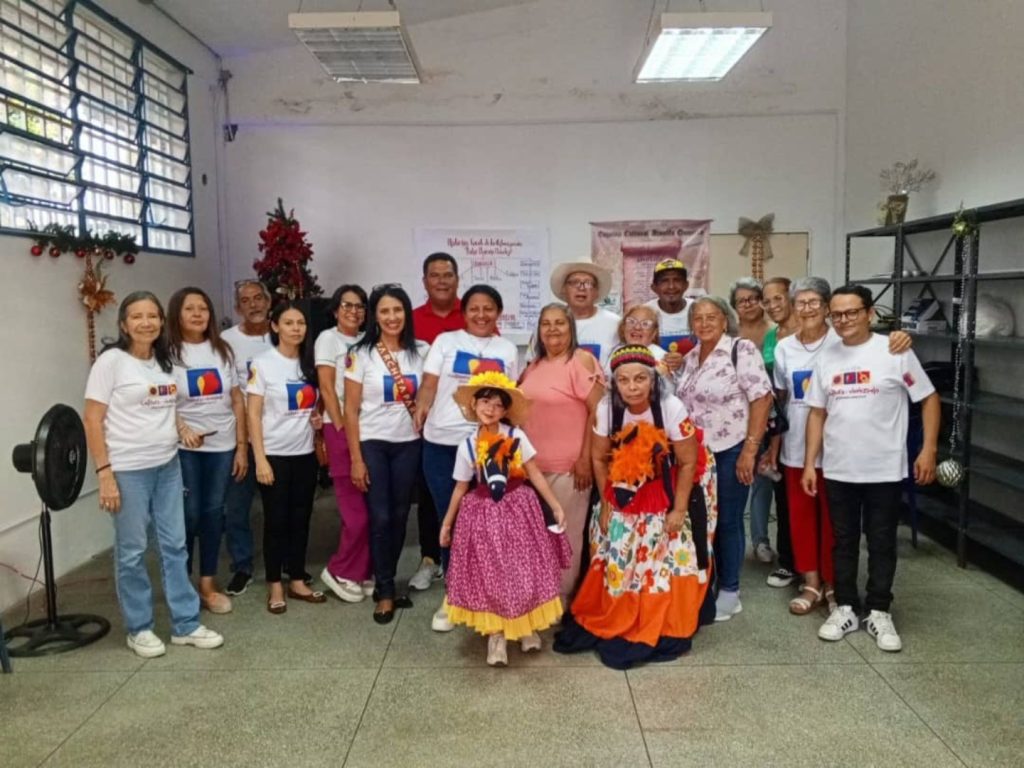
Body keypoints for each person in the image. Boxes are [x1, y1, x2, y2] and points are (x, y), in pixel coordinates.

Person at [554, 345, 717, 669]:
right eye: (624, 380)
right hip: (623, 491)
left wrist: (679, 510)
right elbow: (600, 458)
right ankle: (619, 610)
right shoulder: (606, 409)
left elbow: (687, 462)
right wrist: (605, 503)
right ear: (614, 383)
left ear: (653, 380)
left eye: (640, 378)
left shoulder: (671, 407)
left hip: (667, 491)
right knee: (616, 551)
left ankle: (661, 617)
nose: (632, 387)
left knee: (663, 561)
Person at [84, 291, 224, 658]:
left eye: (152, 316)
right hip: (128, 470)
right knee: (132, 551)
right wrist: (104, 473)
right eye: (137, 316)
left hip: (168, 466)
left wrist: (181, 428)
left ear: (162, 321)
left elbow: (164, 405)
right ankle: (139, 628)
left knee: (175, 546)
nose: (146, 322)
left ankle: (186, 624)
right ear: (124, 324)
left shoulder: (164, 361)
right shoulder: (111, 362)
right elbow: (92, 420)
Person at [803, 285, 938, 652]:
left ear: (869, 314)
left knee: (881, 542)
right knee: (843, 541)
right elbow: (817, 412)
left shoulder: (894, 351)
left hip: (884, 470)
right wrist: (810, 463)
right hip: (839, 468)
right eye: (837, 314)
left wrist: (928, 449)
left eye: (851, 312)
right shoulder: (827, 358)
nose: (843, 320)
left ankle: (879, 610)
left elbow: (928, 399)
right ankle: (845, 606)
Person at [774, 277, 915, 615]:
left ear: (827, 308)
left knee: (838, 526)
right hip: (797, 447)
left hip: (842, 452)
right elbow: (781, 398)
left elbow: (883, 352)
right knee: (802, 519)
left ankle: (837, 585)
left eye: (814, 302)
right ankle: (810, 583)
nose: (807, 309)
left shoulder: (844, 341)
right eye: (800, 303)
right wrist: (773, 445)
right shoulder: (783, 348)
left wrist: (901, 335)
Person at [440, 372, 569, 666]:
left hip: (519, 511)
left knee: (523, 568)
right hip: (483, 515)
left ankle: (525, 627)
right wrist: (447, 524)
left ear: (506, 411)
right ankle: (496, 635)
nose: (491, 409)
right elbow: (461, 486)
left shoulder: (516, 437)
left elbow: (534, 473)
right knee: (492, 573)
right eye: (486, 401)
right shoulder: (467, 445)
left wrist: (555, 505)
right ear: (474, 404)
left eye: (499, 405)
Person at [414, 284, 520, 631]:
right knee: (453, 520)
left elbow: (512, 399)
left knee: (488, 523)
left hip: (488, 446)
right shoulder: (445, 341)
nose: (481, 314)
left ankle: (490, 593)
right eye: (474, 308)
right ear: (464, 311)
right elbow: (429, 383)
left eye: (489, 308)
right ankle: (453, 596)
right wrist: (422, 408)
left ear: (498, 313)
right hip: (443, 443)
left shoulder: (506, 348)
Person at [676, 296, 772, 622]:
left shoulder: (740, 349)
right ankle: (709, 583)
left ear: (724, 319)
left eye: (711, 317)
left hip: (732, 448)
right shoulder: (689, 358)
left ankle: (730, 590)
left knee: (729, 519)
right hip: (697, 455)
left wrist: (750, 449)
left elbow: (762, 398)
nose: (704, 323)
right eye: (698, 318)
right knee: (703, 522)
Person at [345, 284, 430, 624]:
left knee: (398, 516)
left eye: (397, 310)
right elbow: (350, 410)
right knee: (379, 516)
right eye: (384, 311)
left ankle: (389, 583)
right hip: (373, 444)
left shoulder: (421, 351)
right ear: (374, 316)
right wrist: (356, 458)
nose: (392, 317)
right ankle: (383, 589)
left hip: (409, 443)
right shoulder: (360, 353)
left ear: (406, 314)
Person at [519, 303, 605, 607]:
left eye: (560, 323)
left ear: (572, 328)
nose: (553, 329)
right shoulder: (533, 365)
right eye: (546, 323)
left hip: (569, 469)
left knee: (565, 538)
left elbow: (599, 410)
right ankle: (540, 600)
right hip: (531, 470)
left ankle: (563, 601)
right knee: (536, 540)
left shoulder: (581, 361)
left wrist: (585, 459)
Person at [167, 287, 246, 615]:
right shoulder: (167, 352)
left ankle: (207, 584)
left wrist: (242, 446)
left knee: (214, 513)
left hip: (222, 445)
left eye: (203, 308)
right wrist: (182, 430)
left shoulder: (222, 350)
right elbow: (162, 400)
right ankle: (181, 585)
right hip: (185, 447)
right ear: (177, 314)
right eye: (190, 308)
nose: (198, 314)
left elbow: (238, 399)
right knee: (188, 513)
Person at [247, 301, 327, 615]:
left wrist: (317, 420)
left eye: (301, 323)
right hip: (274, 455)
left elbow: (313, 406)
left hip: (304, 453)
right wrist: (260, 459)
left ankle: (296, 579)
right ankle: (274, 584)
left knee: (301, 519)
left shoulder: (309, 364)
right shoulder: (264, 363)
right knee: (276, 522)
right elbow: (253, 414)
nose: (296, 328)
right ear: (275, 326)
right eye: (289, 322)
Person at [409, 252, 464, 593]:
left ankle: (463, 561)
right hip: (421, 420)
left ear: (457, 279)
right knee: (429, 495)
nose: (442, 280)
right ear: (425, 281)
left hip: (466, 427)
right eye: (435, 275)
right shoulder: (412, 319)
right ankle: (430, 559)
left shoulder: (472, 314)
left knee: (465, 496)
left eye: (448, 275)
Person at [316, 284, 374, 603]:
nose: (354, 311)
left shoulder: (366, 342)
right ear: (336, 310)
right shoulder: (329, 338)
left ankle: (360, 570)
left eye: (359, 306)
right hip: (340, 428)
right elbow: (327, 387)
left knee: (366, 504)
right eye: (347, 305)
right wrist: (338, 427)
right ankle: (339, 569)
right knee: (355, 511)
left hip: (365, 428)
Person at [220, 279, 272, 595]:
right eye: (246, 300)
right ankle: (242, 565)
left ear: (268, 302)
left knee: (279, 507)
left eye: (258, 298)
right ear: (238, 308)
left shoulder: (282, 333)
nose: (253, 304)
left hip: (279, 437)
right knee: (236, 507)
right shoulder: (226, 341)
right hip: (240, 436)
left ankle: (285, 564)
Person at [756, 277, 799, 587]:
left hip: (816, 421)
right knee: (785, 497)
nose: (772, 306)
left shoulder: (818, 331)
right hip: (782, 423)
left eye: (777, 298)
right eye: (766, 301)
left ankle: (823, 568)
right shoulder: (772, 336)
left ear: (791, 298)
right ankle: (790, 562)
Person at [549, 260, 620, 369]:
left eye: (588, 283)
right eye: (574, 282)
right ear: (564, 289)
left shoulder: (615, 323)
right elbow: (532, 364)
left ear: (597, 292)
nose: (581, 288)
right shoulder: (548, 323)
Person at [645, 258, 695, 373]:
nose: (671, 286)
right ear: (654, 288)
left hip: (693, 380)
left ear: (686, 285)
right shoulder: (646, 313)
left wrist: (685, 360)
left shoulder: (697, 310)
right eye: (664, 281)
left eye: (677, 280)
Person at [616, 304, 667, 373]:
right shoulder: (616, 353)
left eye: (645, 324)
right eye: (632, 321)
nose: (637, 327)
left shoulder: (661, 357)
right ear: (623, 327)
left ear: (654, 333)